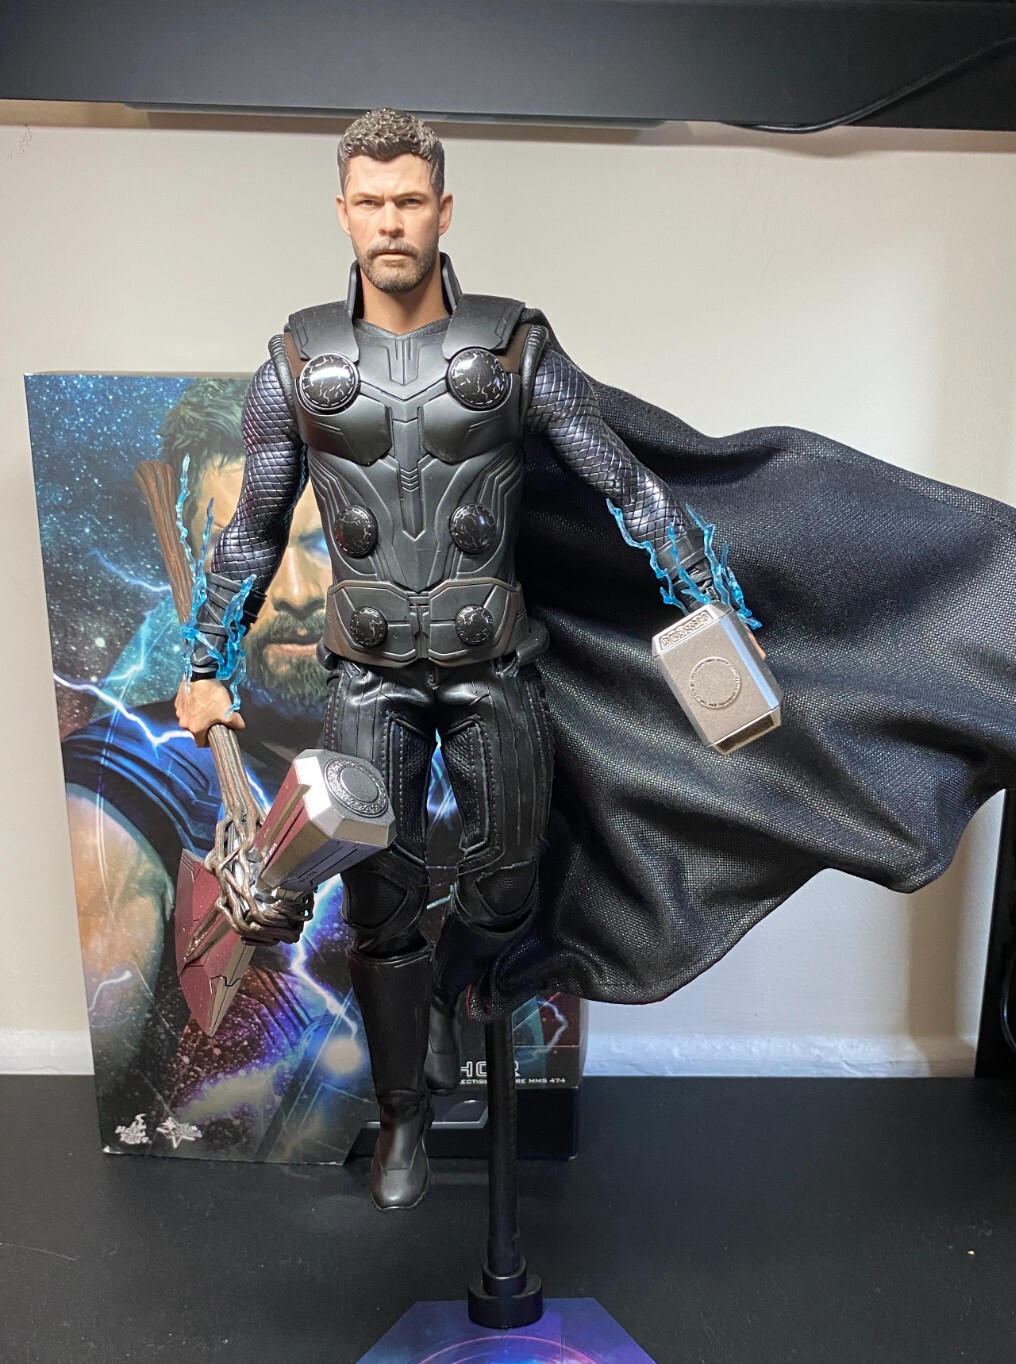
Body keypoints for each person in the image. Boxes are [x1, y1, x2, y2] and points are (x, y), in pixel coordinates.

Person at [175, 110, 728, 1210]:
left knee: (511, 884)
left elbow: (618, 475)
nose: (391, 220)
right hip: (369, 672)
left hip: (493, 663)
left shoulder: (515, 347)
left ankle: (449, 990)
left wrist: (698, 584)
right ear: (343, 212)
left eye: (410, 200)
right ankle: (401, 1118)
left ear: (443, 209)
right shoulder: (295, 363)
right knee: (379, 903)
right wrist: (207, 660)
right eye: (371, 201)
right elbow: (253, 529)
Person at [61, 379, 361, 1156]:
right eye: (249, 556)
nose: (295, 594)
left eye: (321, 544)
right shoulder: (134, 770)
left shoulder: (434, 746)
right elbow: (108, 1028)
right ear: (195, 569)